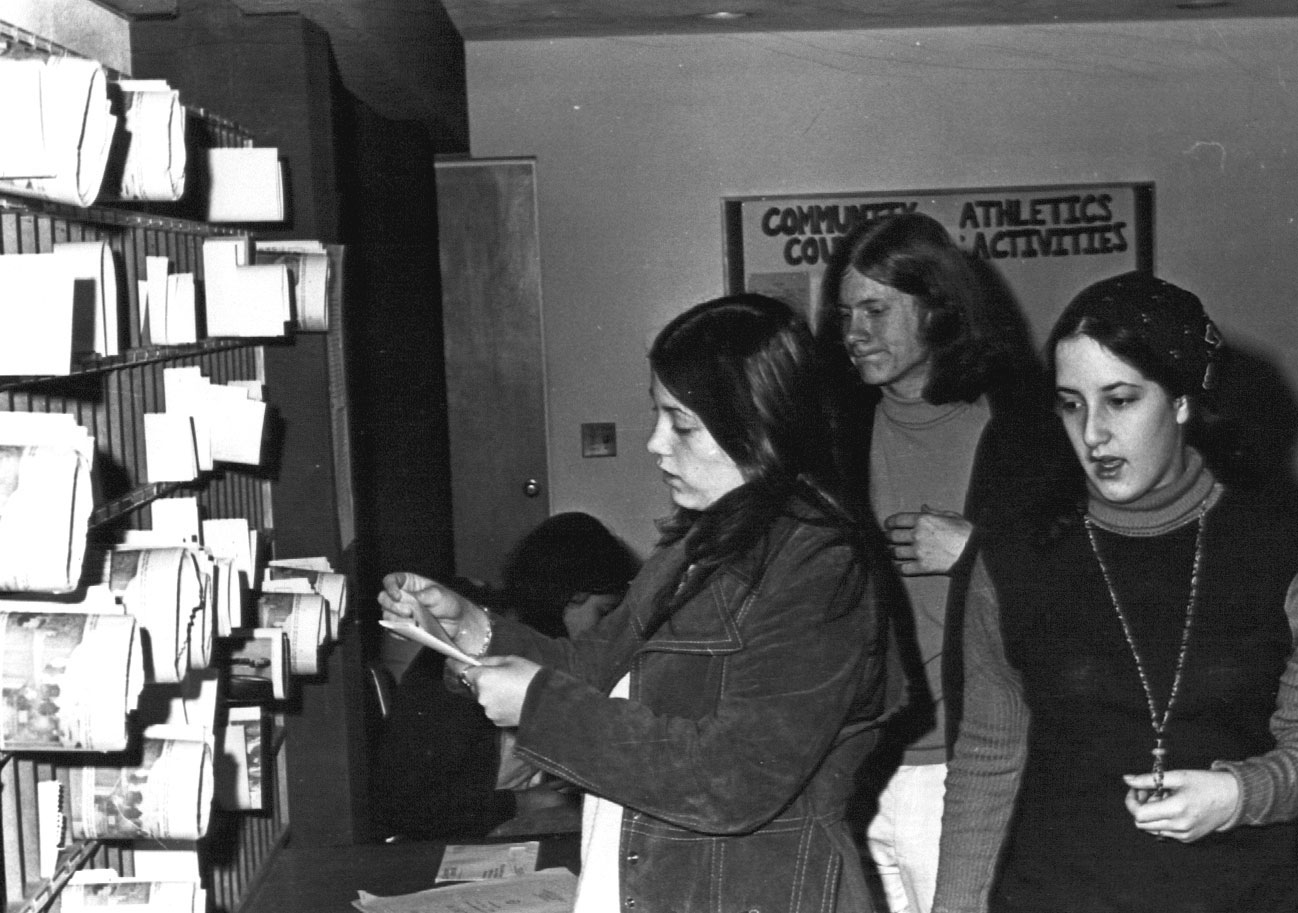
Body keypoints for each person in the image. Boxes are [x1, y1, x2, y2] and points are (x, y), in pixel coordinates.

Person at [380, 293, 891, 911]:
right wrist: (472, 629)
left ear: (758, 425)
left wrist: (539, 706)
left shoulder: (819, 565)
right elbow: (592, 668)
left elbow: (733, 779)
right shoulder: (702, 540)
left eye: (682, 425)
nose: (654, 443)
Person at [933, 271, 1298, 913]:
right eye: (1071, 404)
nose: (1092, 433)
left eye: (1121, 400)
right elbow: (987, 761)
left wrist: (1242, 794)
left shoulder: (1277, 544)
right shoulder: (1015, 555)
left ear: (1183, 401)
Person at [817, 212, 1063, 913]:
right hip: (859, 767)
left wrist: (977, 552)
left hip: (965, 770)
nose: (855, 331)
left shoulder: (1024, 425)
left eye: (876, 309)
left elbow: (1091, 586)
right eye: (844, 313)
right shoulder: (837, 428)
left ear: (938, 308)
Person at [372, 511, 640, 841]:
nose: (604, 632)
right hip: (460, 840)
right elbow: (406, 806)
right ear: (567, 597)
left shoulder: (552, 658)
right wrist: (519, 802)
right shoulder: (465, 668)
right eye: (603, 613)